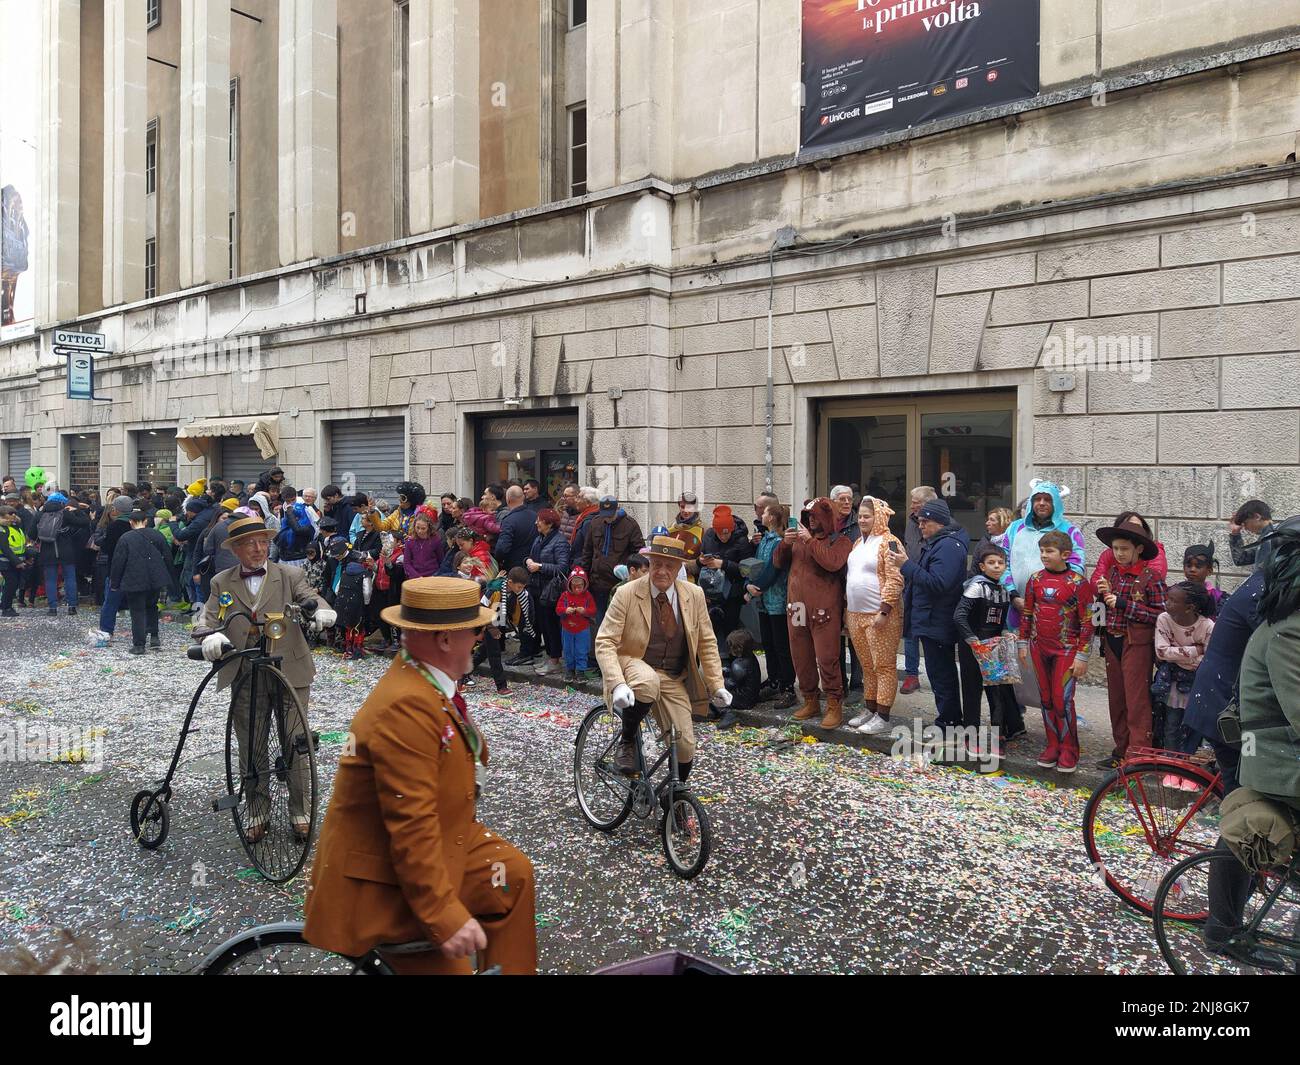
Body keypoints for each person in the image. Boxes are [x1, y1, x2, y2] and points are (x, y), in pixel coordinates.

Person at [303, 576, 536, 974]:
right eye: (475, 630)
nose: (481, 638)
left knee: (512, 875)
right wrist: (446, 917)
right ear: (445, 639)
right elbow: (411, 825)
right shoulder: (406, 705)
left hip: (444, 841)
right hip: (386, 880)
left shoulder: (425, 681)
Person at [196, 515, 336, 840]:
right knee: (251, 742)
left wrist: (322, 610)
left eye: (262, 542)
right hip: (246, 672)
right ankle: (257, 810)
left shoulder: (289, 574)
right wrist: (207, 636)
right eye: (250, 543)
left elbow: (309, 596)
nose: (258, 549)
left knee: (296, 741)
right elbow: (208, 615)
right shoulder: (222, 581)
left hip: (291, 670)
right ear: (236, 549)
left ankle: (300, 811)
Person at [1204, 524, 1300, 963]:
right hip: (1253, 735)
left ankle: (1226, 924)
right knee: (1244, 825)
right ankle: (1224, 927)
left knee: (1247, 827)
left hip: (1258, 730)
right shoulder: (1287, 626)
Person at [596, 535, 729, 784]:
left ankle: (673, 804)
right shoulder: (626, 593)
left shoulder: (694, 594)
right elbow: (605, 642)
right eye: (656, 564)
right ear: (649, 564)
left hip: (672, 675)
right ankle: (627, 742)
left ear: (679, 568)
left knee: (686, 746)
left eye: (669, 566)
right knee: (647, 682)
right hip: (634, 662)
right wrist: (617, 683)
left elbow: (707, 643)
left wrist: (717, 684)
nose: (662, 571)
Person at [888, 498, 972, 730]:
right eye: (920, 522)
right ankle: (949, 719)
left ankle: (949, 721)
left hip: (938, 621)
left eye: (925, 522)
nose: (921, 526)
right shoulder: (940, 543)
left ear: (939, 523)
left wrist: (906, 565)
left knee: (941, 675)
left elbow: (938, 583)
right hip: (931, 619)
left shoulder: (947, 546)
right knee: (939, 674)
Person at [1093, 513, 1168, 768]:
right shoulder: (1112, 573)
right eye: (1115, 548)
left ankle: (1138, 757)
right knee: (1117, 700)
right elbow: (1103, 612)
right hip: (1112, 641)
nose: (1119, 553)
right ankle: (1120, 750)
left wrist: (1126, 605)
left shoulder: (1152, 578)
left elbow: (1160, 615)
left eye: (1124, 548)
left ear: (1138, 548)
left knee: (1137, 701)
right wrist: (1101, 600)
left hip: (1136, 644)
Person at [1017, 531, 1093, 772]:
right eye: (1042, 551)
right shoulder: (1035, 579)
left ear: (1065, 554)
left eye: (1049, 551)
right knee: (1046, 699)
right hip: (1039, 648)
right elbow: (1027, 613)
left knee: (1063, 701)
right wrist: (1022, 643)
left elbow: (1088, 621)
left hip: (1067, 651)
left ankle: (1069, 748)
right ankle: (1052, 745)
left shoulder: (1079, 583)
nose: (1044, 555)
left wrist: (1082, 655)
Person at [774, 497, 854, 729]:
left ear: (827, 517)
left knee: (827, 659)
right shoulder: (800, 541)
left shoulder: (841, 541)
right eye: (808, 517)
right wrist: (786, 543)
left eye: (815, 516)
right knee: (801, 657)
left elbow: (833, 563)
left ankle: (834, 705)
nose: (810, 520)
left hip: (824, 612)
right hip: (797, 609)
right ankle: (810, 700)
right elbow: (778, 562)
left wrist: (810, 542)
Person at [844, 496, 905, 735]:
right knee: (867, 666)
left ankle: (884, 715)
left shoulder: (889, 542)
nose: (862, 520)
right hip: (856, 614)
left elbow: (895, 578)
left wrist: (885, 609)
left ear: (878, 517)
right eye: (859, 516)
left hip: (880, 616)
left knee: (884, 666)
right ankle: (870, 709)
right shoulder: (858, 543)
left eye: (867, 516)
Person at [956, 542, 1024, 746]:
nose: (997, 566)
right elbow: (959, 616)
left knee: (998, 691)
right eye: (991, 563)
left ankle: (999, 736)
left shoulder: (1004, 589)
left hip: (994, 647)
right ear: (982, 566)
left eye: (1001, 563)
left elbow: (1000, 620)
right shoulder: (976, 586)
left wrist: (1006, 633)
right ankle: (970, 735)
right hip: (973, 646)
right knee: (971, 691)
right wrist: (974, 642)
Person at [1152, 581, 1216, 770]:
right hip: (1173, 681)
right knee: (1172, 723)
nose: (1167, 603)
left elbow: (1209, 658)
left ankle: (1189, 769)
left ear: (1190, 607)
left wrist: (1177, 655)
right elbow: (1161, 652)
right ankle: (1172, 765)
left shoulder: (1207, 626)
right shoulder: (1164, 619)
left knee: (1193, 726)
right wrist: (1194, 650)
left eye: (1172, 600)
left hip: (1197, 682)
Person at [746, 501, 796, 710]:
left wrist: (757, 586)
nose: (761, 515)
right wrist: (748, 584)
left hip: (776, 599)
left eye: (764, 512)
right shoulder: (765, 540)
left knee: (781, 645)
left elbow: (772, 569)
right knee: (768, 644)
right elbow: (757, 566)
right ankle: (774, 680)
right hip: (763, 602)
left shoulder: (778, 542)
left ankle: (788, 687)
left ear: (772, 518)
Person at [109, 511, 172, 655]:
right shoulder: (157, 535)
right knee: (152, 607)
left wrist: (115, 582)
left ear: (131, 522)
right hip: (155, 578)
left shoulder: (125, 538)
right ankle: (154, 637)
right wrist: (169, 576)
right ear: (146, 521)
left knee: (137, 611)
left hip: (134, 578)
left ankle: (139, 644)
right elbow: (167, 556)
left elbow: (118, 562)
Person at [581, 494, 645, 624]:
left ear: (617, 509)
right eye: (605, 515)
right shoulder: (595, 523)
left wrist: (629, 574)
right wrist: (583, 575)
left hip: (619, 584)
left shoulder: (630, 525)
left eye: (610, 515)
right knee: (600, 622)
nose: (607, 518)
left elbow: (639, 554)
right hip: (597, 582)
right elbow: (587, 551)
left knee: (618, 622)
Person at [698, 505, 750, 663]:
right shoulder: (708, 536)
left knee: (730, 631)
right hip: (711, 592)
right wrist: (701, 561)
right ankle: (713, 666)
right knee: (710, 632)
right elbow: (701, 558)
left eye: (726, 533)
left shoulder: (741, 540)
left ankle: (732, 665)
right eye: (720, 533)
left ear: (732, 529)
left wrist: (723, 564)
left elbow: (746, 570)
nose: (723, 537)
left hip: (732, 593)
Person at [899, 486, 937, 694]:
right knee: (910, 633)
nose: (912, 505)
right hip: (910, 583)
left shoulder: (941, 524)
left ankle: (934, 674)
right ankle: (911, 675)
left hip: (929, 584)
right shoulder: (911, 523)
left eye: (916, 502)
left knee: (929, 634)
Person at [37, 491, 90, 615]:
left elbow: (32, 534)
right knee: (70, 578)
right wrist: (76, 511)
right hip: (67, 551)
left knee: (50, 579)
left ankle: (52, 608)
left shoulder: (40, 515)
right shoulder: (65, 514)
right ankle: (72, 607)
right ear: (62, 502)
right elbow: (85, 522)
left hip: (47, 551)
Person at [556, 564, 597, 682]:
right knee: (568, 649)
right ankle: (569, 670)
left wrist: (585, 611)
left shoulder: (588, 596)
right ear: (570, 585)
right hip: (567, 628)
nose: (577, 589)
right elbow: (558, 610)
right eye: (575, 587)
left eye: (580, 586)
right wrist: (565, 610)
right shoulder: (565, 596)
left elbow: (593, 611)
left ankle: (580, 671)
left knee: (582, 649)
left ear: (585, 585)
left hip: (583, 628)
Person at [719, 629, 761, 729]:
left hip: (743, 700)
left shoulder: (738, 664)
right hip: (752, 696)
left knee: (717, 695)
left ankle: (729, 715)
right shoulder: (751, 658)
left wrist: (720, 679)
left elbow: (731, 684)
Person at [493, 486, 539, 577]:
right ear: (523, 497)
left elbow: (502, 548)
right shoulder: (535, 516)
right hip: (533, 565)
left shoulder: (509, 520)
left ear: (507, 500)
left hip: (513, 567)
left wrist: (497, 560)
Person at [1228, 499, 1276, 572]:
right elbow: (1241, 559)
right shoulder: (1267, 538)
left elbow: (1262, 575)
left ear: (1257, 517)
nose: (1245, 528)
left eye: (1245, 523)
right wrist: (1235, 533)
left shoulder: (1273, 538)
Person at [667, 492, 704, 580]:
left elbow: (704, 560)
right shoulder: (670, 528)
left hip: (692, 581)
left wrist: (686, 566)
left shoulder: (704, 530)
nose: (685, 511)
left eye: (689, 507)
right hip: (669, 578)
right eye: (682, 507)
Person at [1181, 540, 1224, 612]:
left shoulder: (1217, 597)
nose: (1192, 569)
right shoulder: (1175, 593)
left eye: (1198, 566)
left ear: (1209, 571)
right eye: (1188, 566)